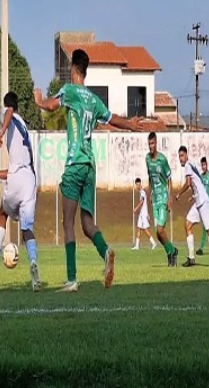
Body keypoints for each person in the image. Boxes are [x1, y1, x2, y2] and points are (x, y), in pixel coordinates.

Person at [35, 48, 141, 292]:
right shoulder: (94, 100)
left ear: (73, 69)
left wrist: (39, 100)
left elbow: (51, 106)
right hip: (90, 167)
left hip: (74, 164)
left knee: (68, 223)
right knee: (86, 223)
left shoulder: (70, 91)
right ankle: (106, 251)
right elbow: (112, 118)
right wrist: (130, 125)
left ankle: (71, 278)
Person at [0, 92, 41, 292]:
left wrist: (0, 132)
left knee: (2, 213)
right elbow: (17, 168)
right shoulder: (23, 125)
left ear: (8, 106)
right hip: (30, 179)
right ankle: (33, 263)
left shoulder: (8, 114)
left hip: (18, 177)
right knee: (26, 229)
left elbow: (7, 113)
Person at [146, 132, 178, 266]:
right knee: (158, 233)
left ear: (156, 143)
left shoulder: (162, 160)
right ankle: (171, 251)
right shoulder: (147, 159)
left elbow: (170, 178)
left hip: (164, 196)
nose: (150, 146)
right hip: (155, 198)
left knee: (160, 229)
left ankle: (172, 252)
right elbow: (149, 176)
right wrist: (150, 193)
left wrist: (170, 198)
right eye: (149, 144)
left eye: (152, 143)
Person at [131, 177, 156, 250]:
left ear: (139, 184)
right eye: (136, 185)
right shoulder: (141, 192)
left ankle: (153, 243)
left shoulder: (142, 192)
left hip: (143, 214)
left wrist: (136, 208)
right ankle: (137, 246)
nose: (137, 186)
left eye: (137, 184)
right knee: (138, 228)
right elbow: (145, 203)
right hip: (142, 214)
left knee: (145, 229)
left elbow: (142, 202)